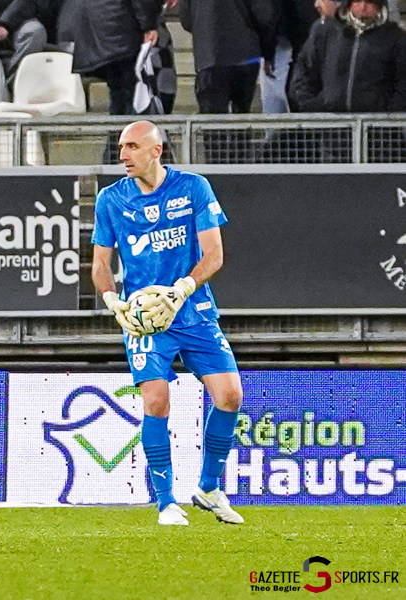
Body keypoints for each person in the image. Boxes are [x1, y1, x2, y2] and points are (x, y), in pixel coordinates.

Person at [91, 120, 244, 526]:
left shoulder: (193, 188)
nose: (123, 155)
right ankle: (165, 503)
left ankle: (208, 488)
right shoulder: (110, 199)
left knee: (230, 396)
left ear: (155, 151)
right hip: (147, 320)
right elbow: (100, 264)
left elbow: (214, 254)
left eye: (132, 146)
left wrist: (183, 288)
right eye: (121, 147)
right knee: (156, 400)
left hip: (192, 310)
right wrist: (112, 301)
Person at [290, 0, 406, 112]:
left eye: (370, 2)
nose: (363, 7)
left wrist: (390, 112)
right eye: (357, 1)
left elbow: (402, 81)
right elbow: (304, 72)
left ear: (380, 5)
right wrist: (310, 105)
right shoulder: (326, 31)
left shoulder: (394, 37)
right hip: (328, 121)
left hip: (376, 122)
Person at [179, 0, 277, 113]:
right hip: (245, 54)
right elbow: (265, 14)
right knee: (241, 113)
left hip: (209, 54)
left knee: (211, 115)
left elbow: (186, 18)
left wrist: (204, 31)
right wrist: (268, 51)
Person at [68, 0, 162, 115]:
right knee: (127, 86)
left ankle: (118, 123)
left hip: (93, 22)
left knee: (118, 87)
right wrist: (149, 26)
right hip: (119, 24)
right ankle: (126, 123)